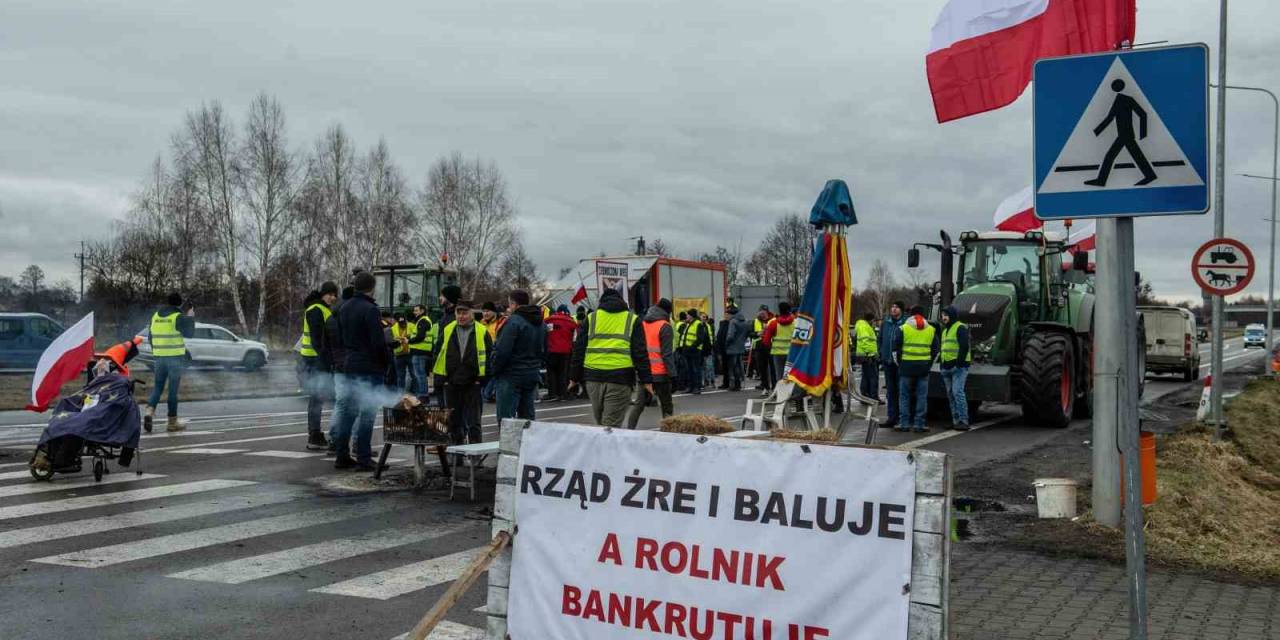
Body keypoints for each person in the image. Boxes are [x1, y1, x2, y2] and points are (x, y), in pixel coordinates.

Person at [570, 288, 653, 426]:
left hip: (593, 378)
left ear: (601, 302)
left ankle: (603, 446)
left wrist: (574, 378)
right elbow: (640, 354)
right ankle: (606, 447)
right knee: (610, 426)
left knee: (602, 423)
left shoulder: (591, 318)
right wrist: (647, 381)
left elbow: (579, 350)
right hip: (620, 378)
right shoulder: (632, 319)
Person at [331, 272, 387, 470]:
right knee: (368, 412)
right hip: (369, 367)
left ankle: (341, 455)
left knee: (348, 412)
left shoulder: (344, 307)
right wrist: (386, 360)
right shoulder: (371, 309)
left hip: (349, 363)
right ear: (372, 288)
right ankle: (363, 456)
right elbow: (377, 343)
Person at [434, 301, 492, 444]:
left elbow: (490, 355)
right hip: (452, 381)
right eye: (458, 313)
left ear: (472, 313)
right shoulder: (448, 329)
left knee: (474, 422)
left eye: (465, 313)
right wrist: (443, 379)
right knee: (454, 421)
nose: (461, 316)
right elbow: (438, 353)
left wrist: (481, 379)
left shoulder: (482, 330)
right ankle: (457, 455)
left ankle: (475, 457)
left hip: (473, 382)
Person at [144, 292, 195, 433]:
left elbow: (150, 337)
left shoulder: (155, 316)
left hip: (159, 358)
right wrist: (190, 317)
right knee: (172, 391)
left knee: (158, 387)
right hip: (174, 359)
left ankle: (149, 411)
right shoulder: (177, 317)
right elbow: (190, 333)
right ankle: (172, 423)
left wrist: (158, 351)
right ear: (179, 304)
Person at [492, 289, 545, 422]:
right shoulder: (540, 323)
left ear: (514, 304)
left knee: (506, 421)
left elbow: (502, 351)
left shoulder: (513, 322)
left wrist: (493, 370)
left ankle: (510, 443)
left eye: (509, 304)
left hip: (511, 375)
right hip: (532, 373)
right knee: (527, 420)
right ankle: (527, 443)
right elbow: (545, 350)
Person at [299, 281, 339, 450]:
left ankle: (316, 435)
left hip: (314, 359)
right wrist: (328, 361)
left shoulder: (320, 308)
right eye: (330, 294)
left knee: (318, 398)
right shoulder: (316, 309)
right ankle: (315, 435)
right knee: (319, 398)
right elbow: (317, 339)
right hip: (316, 360)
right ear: (323, 294)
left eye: (335, 294)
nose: (333, 297)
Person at [627, 298, 676, 429]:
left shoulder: (643, 323)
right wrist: (673, 375)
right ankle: (668, 433)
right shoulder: (665, 326)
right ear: (667, 312)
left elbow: (636, 348)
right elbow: (667, 355)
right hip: (660, 374)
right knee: (667, 406)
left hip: (645, 373)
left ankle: (629, 430)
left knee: (639, 405)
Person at [894, 305, 938, 433]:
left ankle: (904, 424)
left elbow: (895, 349)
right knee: (922, 397)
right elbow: (936, 350)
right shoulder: (931, 329)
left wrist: (900, 364)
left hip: (906, 367)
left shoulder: (903, 328)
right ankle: (919, 424)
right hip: (923, 368)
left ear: (911, 315)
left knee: (904, 396)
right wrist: (929, 365)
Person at [323, 285, 355, 454]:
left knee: (341, 404)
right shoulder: (351, 315)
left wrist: (333, 363)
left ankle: (334, 440)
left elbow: (324, 346)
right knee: (358, 403)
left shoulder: (331, 317)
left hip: (338, 367)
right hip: (353, 366)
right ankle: (357, 445)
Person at [939, 306, 972, 431]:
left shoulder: (960, 327)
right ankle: (956, 420)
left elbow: (964, 347)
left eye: (946, 315)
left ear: (952, 315)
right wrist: (942, 365)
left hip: (958, 368)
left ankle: (963, 420)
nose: (944, 317)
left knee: (957, 393)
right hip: (946, 367)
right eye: (942, 315)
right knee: (951, 395)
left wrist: (958, 364)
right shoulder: (945, 330)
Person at [878, 302, 905, 429]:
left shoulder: (905, 323)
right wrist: (881, 353)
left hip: (900, 363)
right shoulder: (886, 324)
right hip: (888, 362)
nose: (893, 309)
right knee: (891, 391)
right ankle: (891, 417)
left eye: (896, 307)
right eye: (892, 306)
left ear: (901, 310)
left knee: (901, 391)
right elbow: (880, 339)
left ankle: (902, 418)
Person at [433, 284, 462, 404]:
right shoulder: (446, 315)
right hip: (440, 366)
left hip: (450, 368)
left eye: (442, 295)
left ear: (449, 298)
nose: (440, 298)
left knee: (450, 405)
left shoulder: (456, 317)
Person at [544, 305, 576, 401]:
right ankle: (563, 394)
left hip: (551, 351)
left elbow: (545, 334)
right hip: (565, 352)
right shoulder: (571, 322)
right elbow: (574, 338)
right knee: (563, 373)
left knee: (551, 373)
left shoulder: (549, 321)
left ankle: (552, 394)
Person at [762, 302, 796, 389]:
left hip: (777, 353)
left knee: (779, 376)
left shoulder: (773, 323)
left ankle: (781, 396)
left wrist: (771, 347)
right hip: (792, 354)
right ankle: (793, 395)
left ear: (779, 310)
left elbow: (766, 341)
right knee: (792, 375)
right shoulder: (796, 323)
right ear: (789, 310)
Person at [677, 309, 711, 394]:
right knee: (690, 370)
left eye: (688, 315)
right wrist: (683, 348)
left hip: (695, 351)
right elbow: (685, 337)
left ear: (691, 316)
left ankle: (697, 387)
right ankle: (691, 387)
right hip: (687, 351)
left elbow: (700, 339)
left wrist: (691, 347)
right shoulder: (688, 324)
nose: (686, 317)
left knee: (696, 369)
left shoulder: (698, 324)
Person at [407, 304, 434, 396]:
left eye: (416, 310)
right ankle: (422, 394)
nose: (414, 312)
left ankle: (422, 394)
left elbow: (420, 336)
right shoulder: (423, 321)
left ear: (422, 311)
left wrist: (409, 341)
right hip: (421, 351)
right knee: (420, 374)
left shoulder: (423, 321)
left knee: (419, 374)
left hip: (419, 352)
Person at [722, 304, 749, 392]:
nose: (726, 315)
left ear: (731, 314)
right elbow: (746, 334)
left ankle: (732, 385)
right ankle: (738, 384)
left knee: (732, 367)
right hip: (740, 347)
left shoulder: (733, 322)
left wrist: (726, 343)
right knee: (738, 366)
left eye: (727, 314)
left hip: (732, 348)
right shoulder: (744, 321)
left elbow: (730, 335)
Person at [853, 312, 879, 402]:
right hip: (868, 356)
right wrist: (870, 354)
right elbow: (865, 341)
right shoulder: (865, 327)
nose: (875, 323)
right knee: (873, 377)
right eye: (874, 321)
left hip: (864, 355)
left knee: (866, 376)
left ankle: (865, 396)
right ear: (871, 320)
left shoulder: (862, 326)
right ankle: (873, 397)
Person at [751, 306, 774, 393]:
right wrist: (757, 333)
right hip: (759, 347)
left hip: (771, 346)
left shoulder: (772, 320)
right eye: (760, 312)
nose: (762, 314)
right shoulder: (755, 321)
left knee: (773, 368)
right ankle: (765, 387)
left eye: (763, 312)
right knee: (761, 368)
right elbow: (750, 333)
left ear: (767, 312)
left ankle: (774, 386)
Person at [390, 313, 414, 392]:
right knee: (400, 377)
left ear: (406, 320)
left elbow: (416, 337)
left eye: (403, 322)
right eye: (400, 323)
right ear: (397, 321)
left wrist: (407, 337)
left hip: (410, 353)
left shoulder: (412, 326)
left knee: (414, 375)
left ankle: (415, 394)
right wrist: (398, 340)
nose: (402, 324)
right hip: (399, 355)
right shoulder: (393, 328)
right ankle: (401, 395)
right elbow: (392, 341)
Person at [701, 312, 717, 388]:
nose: (704, 318)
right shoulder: (699, 326)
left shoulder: (708, 326)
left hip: (708, 349)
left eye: (705, 317)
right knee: (703, 367)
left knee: (710, 366)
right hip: (701, 350)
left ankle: (712, 381)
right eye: (703, 317)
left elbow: (711, 337)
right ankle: (705, 382)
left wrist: (711, 346)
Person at [714, 313, 730, 389]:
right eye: (725, 315)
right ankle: (726, 383)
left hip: (729, 349)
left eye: (728, 315)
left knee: (730, 367)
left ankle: (730, 383)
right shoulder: (722, 323)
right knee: (725, 367)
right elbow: (719, 336)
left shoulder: (731, 323)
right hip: (723, 348)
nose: (726, 316)